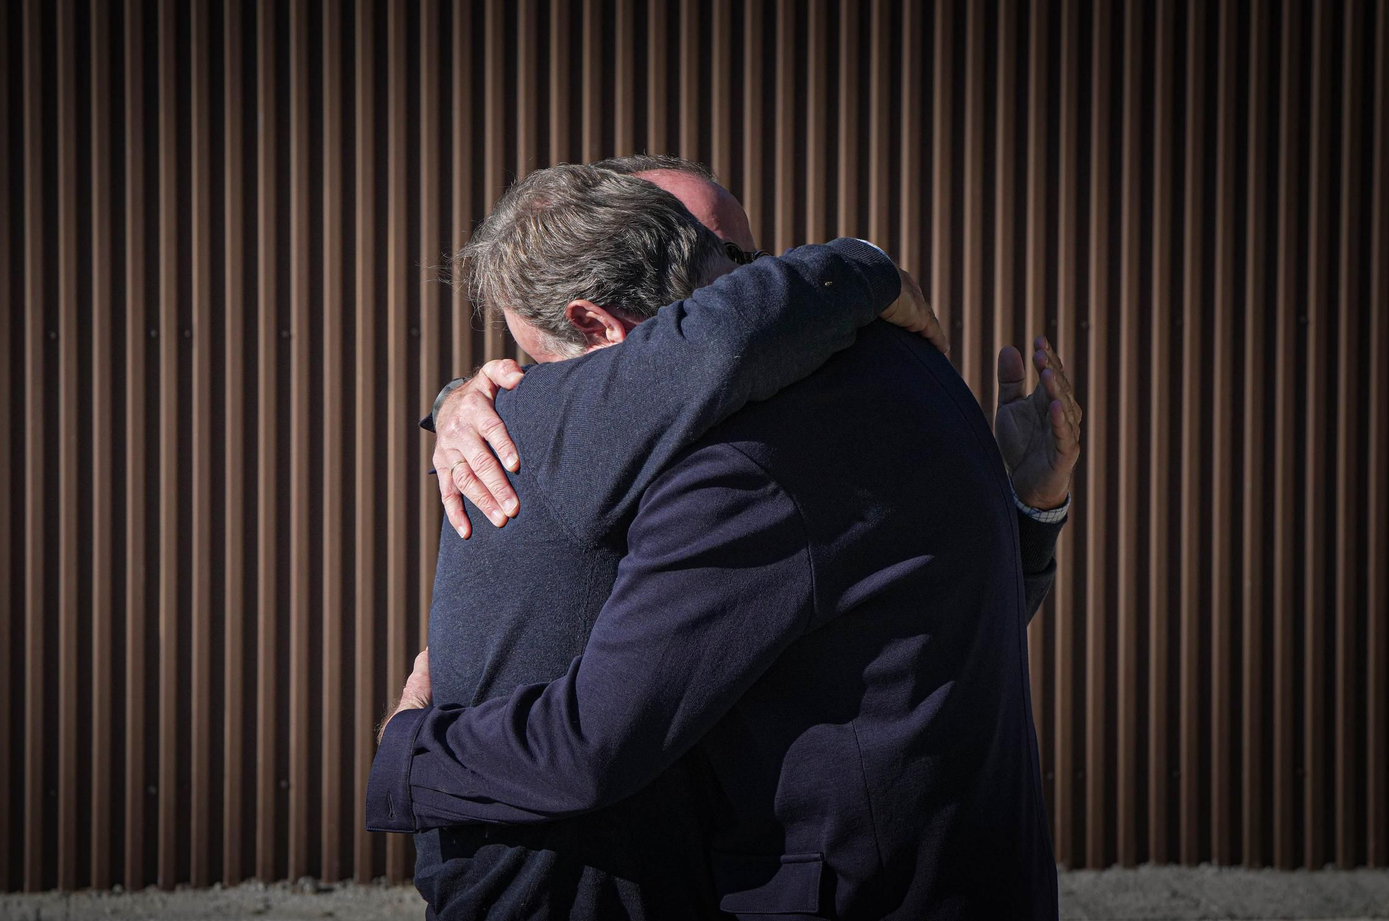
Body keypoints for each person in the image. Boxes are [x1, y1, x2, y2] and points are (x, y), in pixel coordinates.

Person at [373, 157, 1081, 920]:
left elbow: (596, 739)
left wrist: (408, 751)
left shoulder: (738, 462)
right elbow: (906, 630)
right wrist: (457, 400)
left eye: (550, 375)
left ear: (600, 327)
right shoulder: (907, 359)